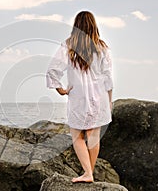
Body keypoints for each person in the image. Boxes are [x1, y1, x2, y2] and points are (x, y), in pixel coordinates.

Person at [46, 11, 113, 183]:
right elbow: (108, 77)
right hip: (100, 96)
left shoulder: (69, 45)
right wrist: (110, 99)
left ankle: (88, 173)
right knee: (93, 135)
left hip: (79, 96)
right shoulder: (102, 47)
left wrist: (59, 88)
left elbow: (53, 70)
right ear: (94, 25)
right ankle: (89, 173)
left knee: (77, 136)